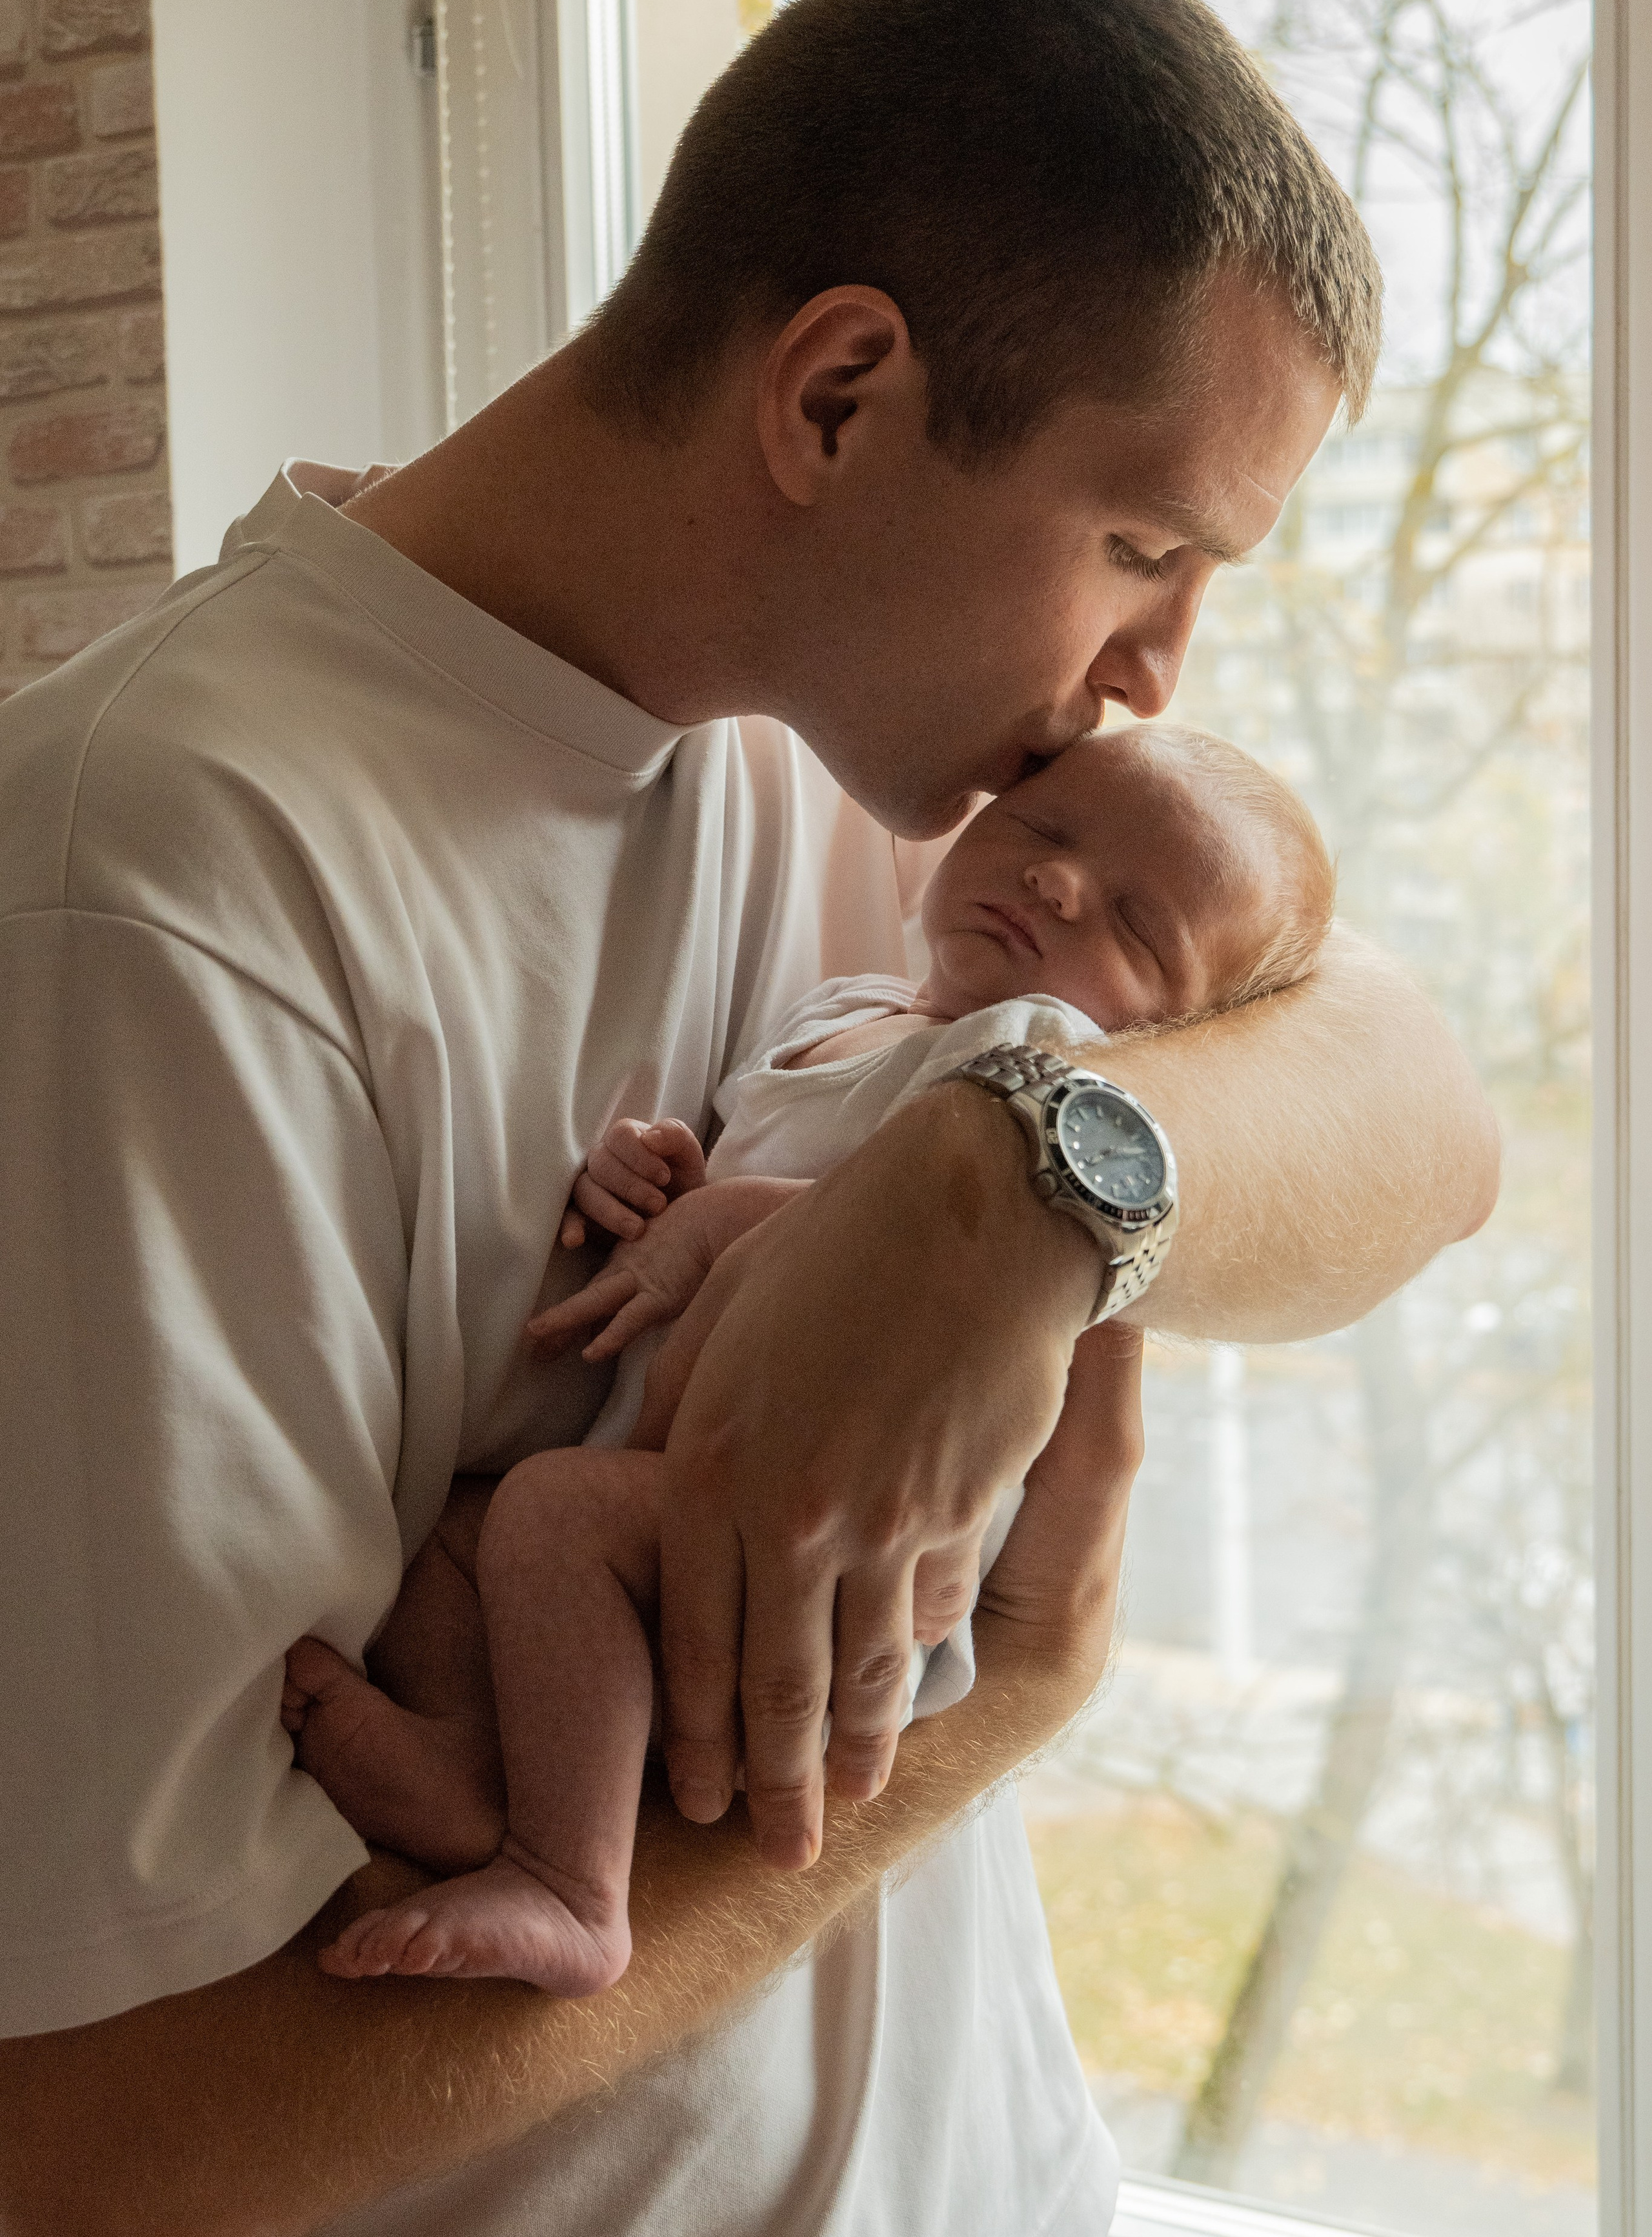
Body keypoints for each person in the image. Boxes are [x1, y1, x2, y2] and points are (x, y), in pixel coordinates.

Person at [0, 0, 1497, 2237]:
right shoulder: (155, 895)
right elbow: (98, 2161)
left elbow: (1427, 1117)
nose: (1151, 678)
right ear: (835, 400)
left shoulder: (895, 779)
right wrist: (990, 1703)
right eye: (1138, 547)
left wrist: (1020, 1184)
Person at [283, 722, 1336, 1994]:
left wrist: (716, 1226)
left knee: (549, 1521)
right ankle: (480, 1769)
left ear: (1180, 1031)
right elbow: (768, 1170)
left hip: (845, 1543)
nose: (1057, 884)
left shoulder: (1032, 1058)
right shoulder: (852, 1014)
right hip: (705, 1455)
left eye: (1132, 919)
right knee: (461, 1532)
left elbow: (913, 1274)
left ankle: (571, 1883)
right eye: (1041, 832)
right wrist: (668, 1172)